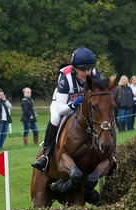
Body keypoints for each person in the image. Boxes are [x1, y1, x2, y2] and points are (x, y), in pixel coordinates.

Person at [32, 47, 117, 175]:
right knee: (55, 118)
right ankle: (46, 155)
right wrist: (72, 105)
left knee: (107, 121)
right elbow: (60, 109)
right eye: (83, 69)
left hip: (85, 106)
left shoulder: (95, 75)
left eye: (89, 68)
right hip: (63, 103)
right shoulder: (65, 78)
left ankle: (113, 156)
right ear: (75, 68)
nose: (87, 72)